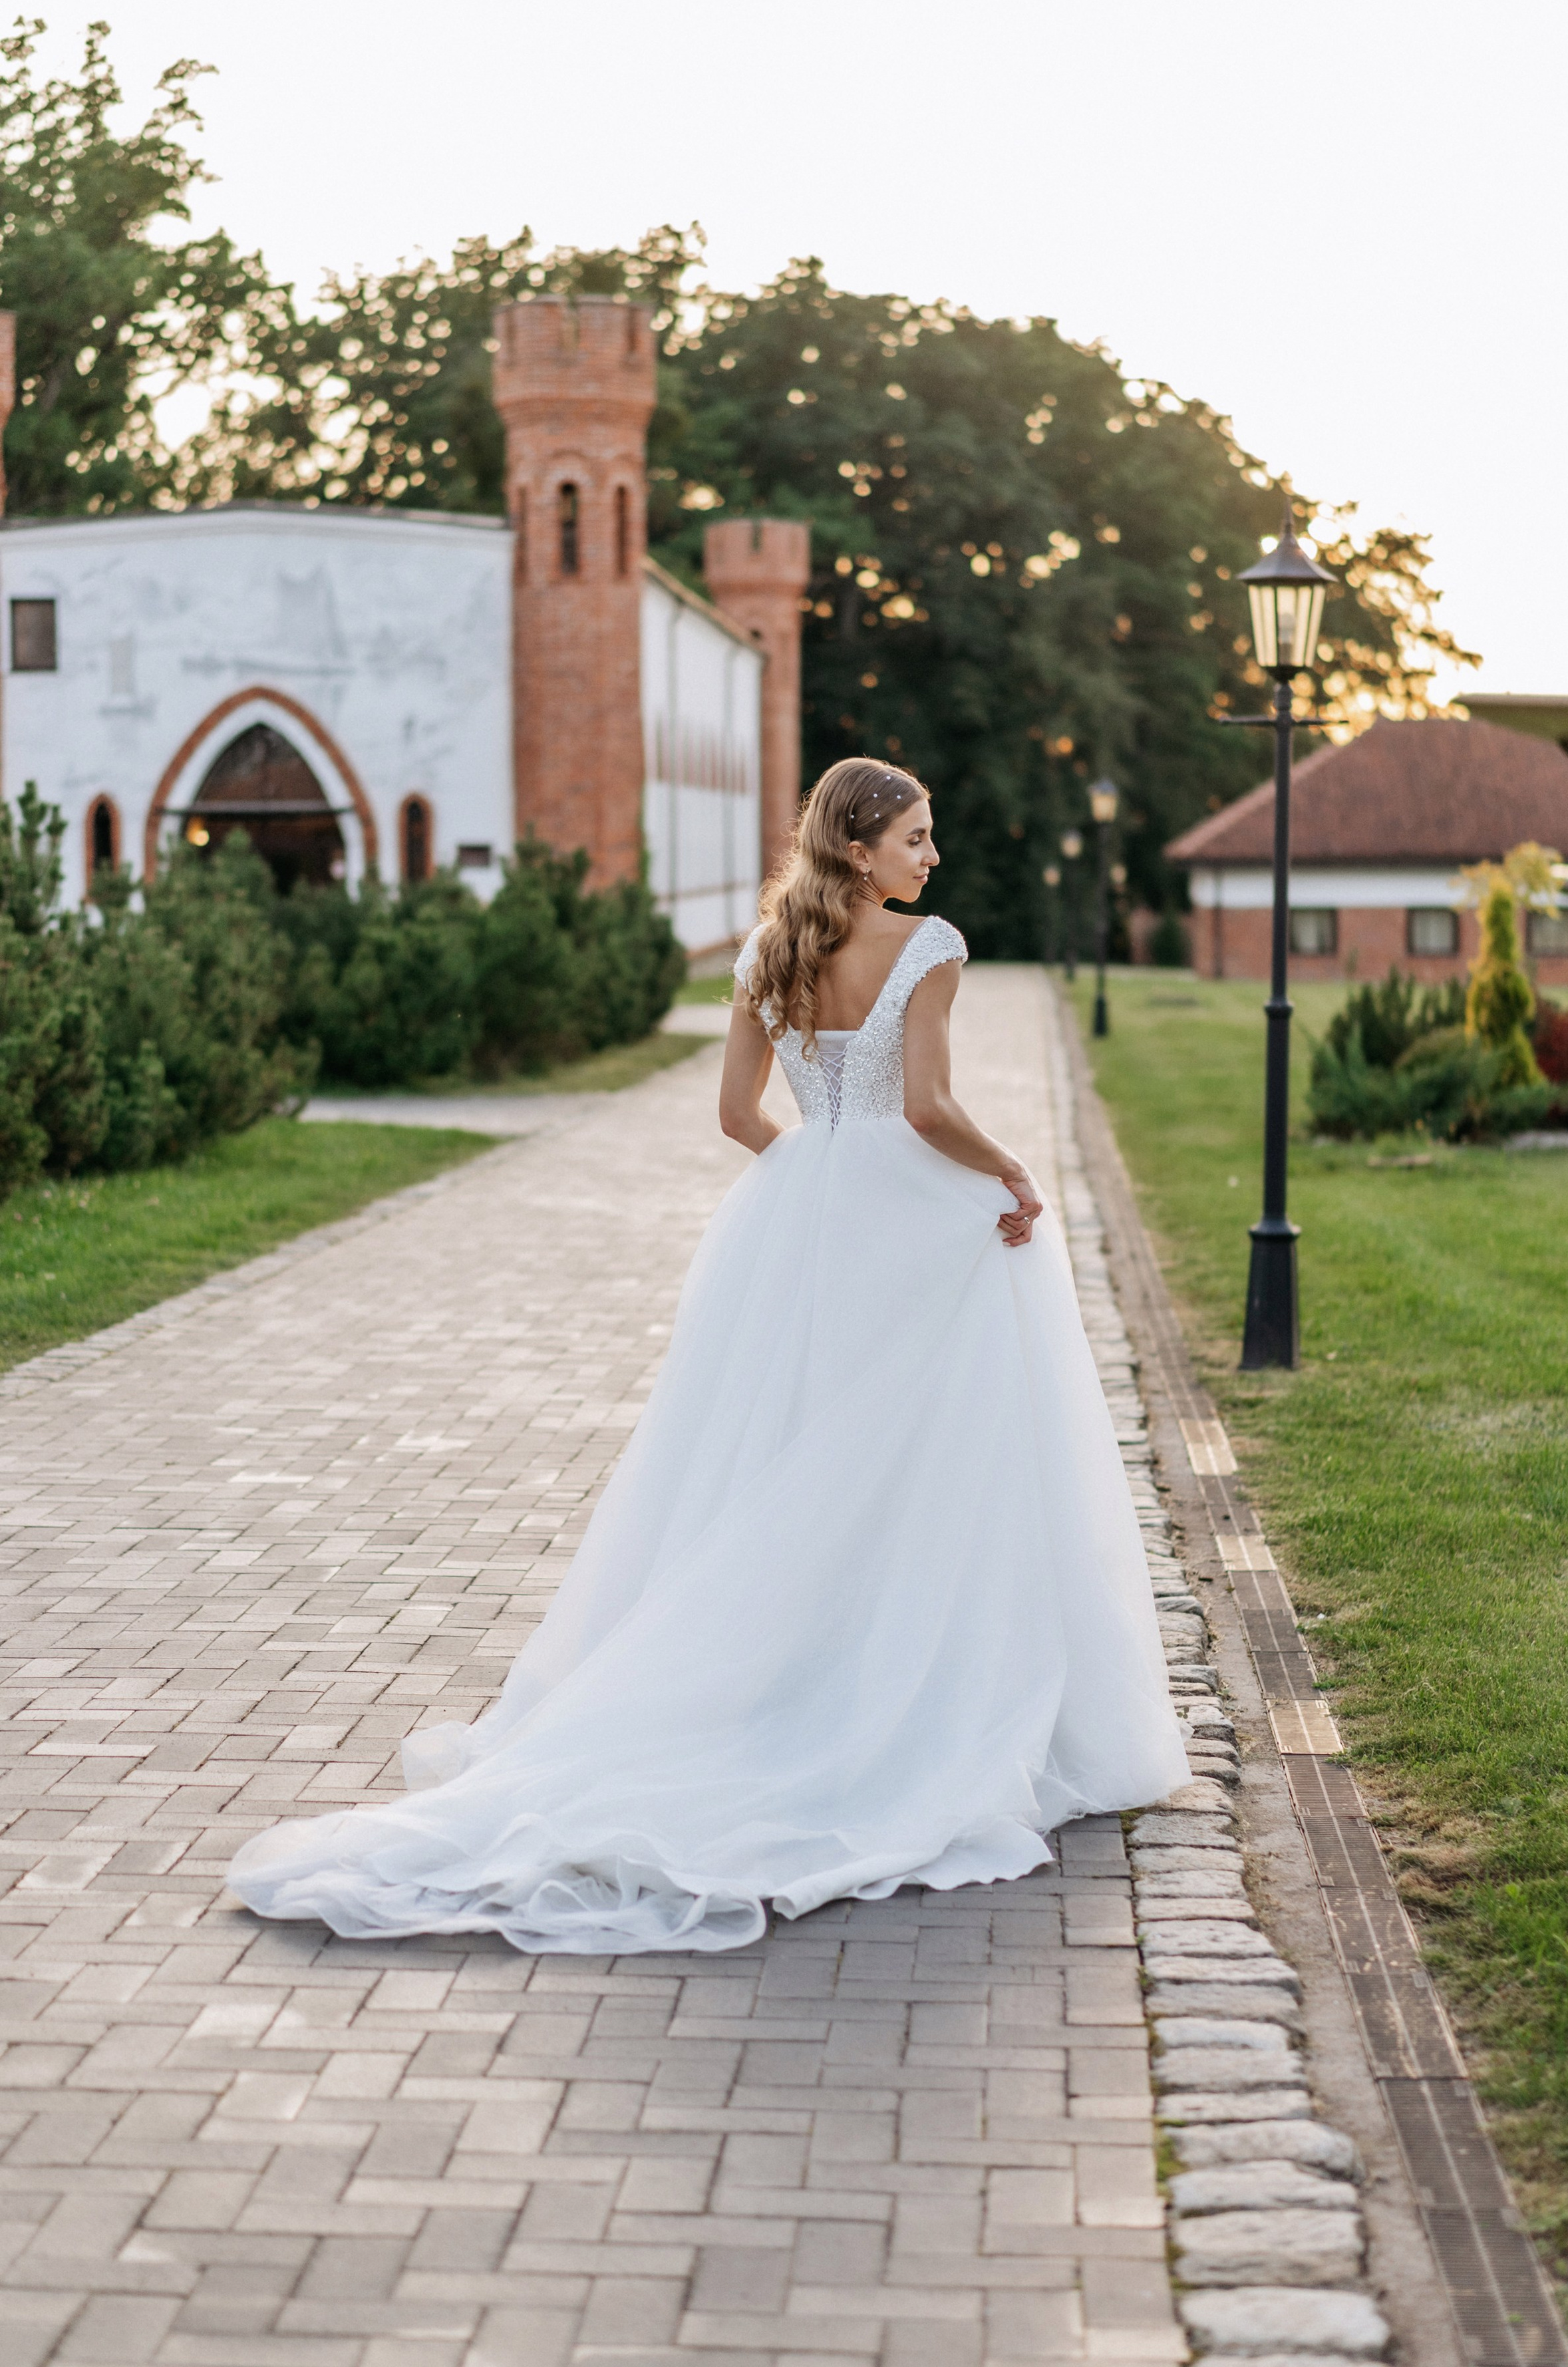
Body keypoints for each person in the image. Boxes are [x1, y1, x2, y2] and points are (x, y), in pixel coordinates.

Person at [228, 758, 1189, 1953]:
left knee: (782, 1454)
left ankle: (781, 1678)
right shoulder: (929, 947)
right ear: (858, 848)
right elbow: (933, 1107)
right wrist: (1012, 1171)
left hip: (799, 1214)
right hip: (910, 1216)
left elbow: (741, 1118)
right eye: (915, 837)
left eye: (930, 841)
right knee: (922, 1459)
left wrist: (820, 1175)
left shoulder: (763, 955)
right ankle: (889, 1690)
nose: (931, 858)